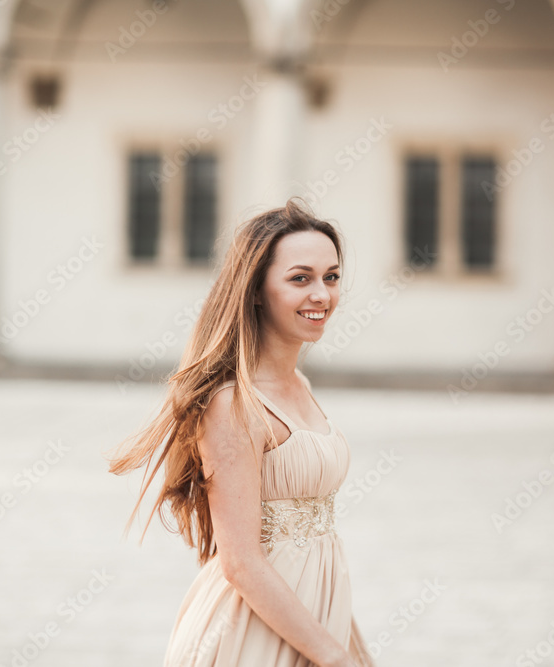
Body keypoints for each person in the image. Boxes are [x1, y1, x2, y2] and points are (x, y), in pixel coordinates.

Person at [106, 197, 373, 667]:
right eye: (300, 278)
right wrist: (332, 657)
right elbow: (241, 563)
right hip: (248, 633)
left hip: (317, 618)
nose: (322, 294)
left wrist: (342, 638)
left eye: (330, 277)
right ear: (255, 289)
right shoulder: (232, 404)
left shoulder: (300, 385)